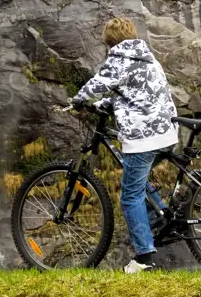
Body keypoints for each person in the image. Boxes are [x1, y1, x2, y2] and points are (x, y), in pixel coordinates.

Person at [71, 16, 179, 273]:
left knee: (129, 197)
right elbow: (130, 94)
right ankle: (164, 218)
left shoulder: (119, 58)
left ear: (109, 42)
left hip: (144, 138)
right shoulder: (147, 57)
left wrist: (79, 100)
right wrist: (102, 105)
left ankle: (145, 258)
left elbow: (100, 83)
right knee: (138, 184)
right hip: (166, 132)